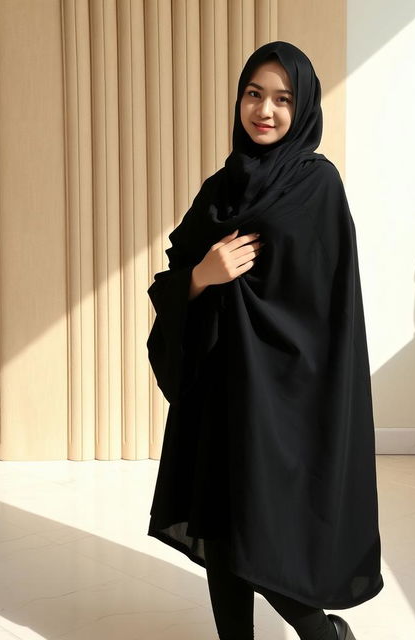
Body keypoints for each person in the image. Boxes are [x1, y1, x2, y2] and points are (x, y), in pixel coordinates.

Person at [146, 41, 383, 640]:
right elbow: (176, 273)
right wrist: (203, 276)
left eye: (283, 99)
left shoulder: (317, 184)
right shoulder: (222, 186)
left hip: (285, 395)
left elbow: (328, 307)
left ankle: (325, 636)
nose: (265, 111)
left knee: (265, 533)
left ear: (302, 108)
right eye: (254, 94)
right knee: (222, 527)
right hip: (220, 387)